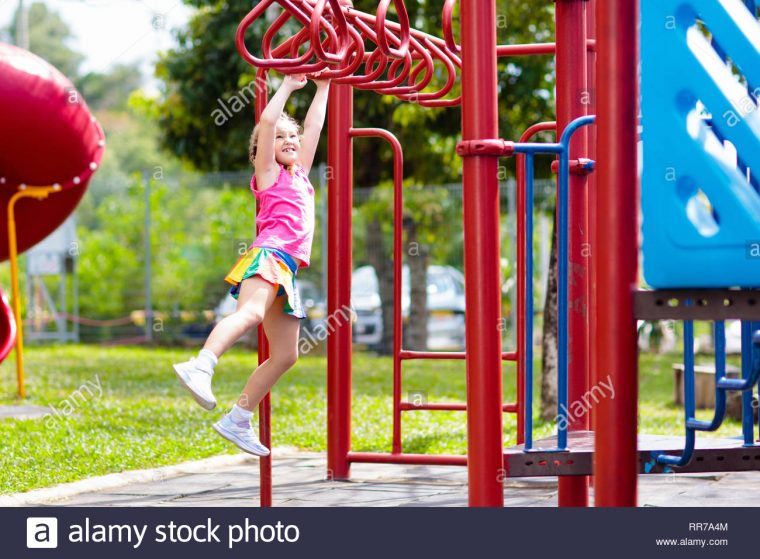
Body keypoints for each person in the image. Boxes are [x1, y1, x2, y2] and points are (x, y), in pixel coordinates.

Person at [173, 73, 329, 456]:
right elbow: (267, 123)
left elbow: (313, 125)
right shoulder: (269, 175)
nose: (289, 141)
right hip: (269, 255)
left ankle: (238, 419)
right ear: (264, 150)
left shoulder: (301, 176)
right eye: (280, 139)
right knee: (251, 315)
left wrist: (324, 88)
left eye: (291, 137)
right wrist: (289, 86)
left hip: (287, 269)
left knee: (287, 354)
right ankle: (202, 365)